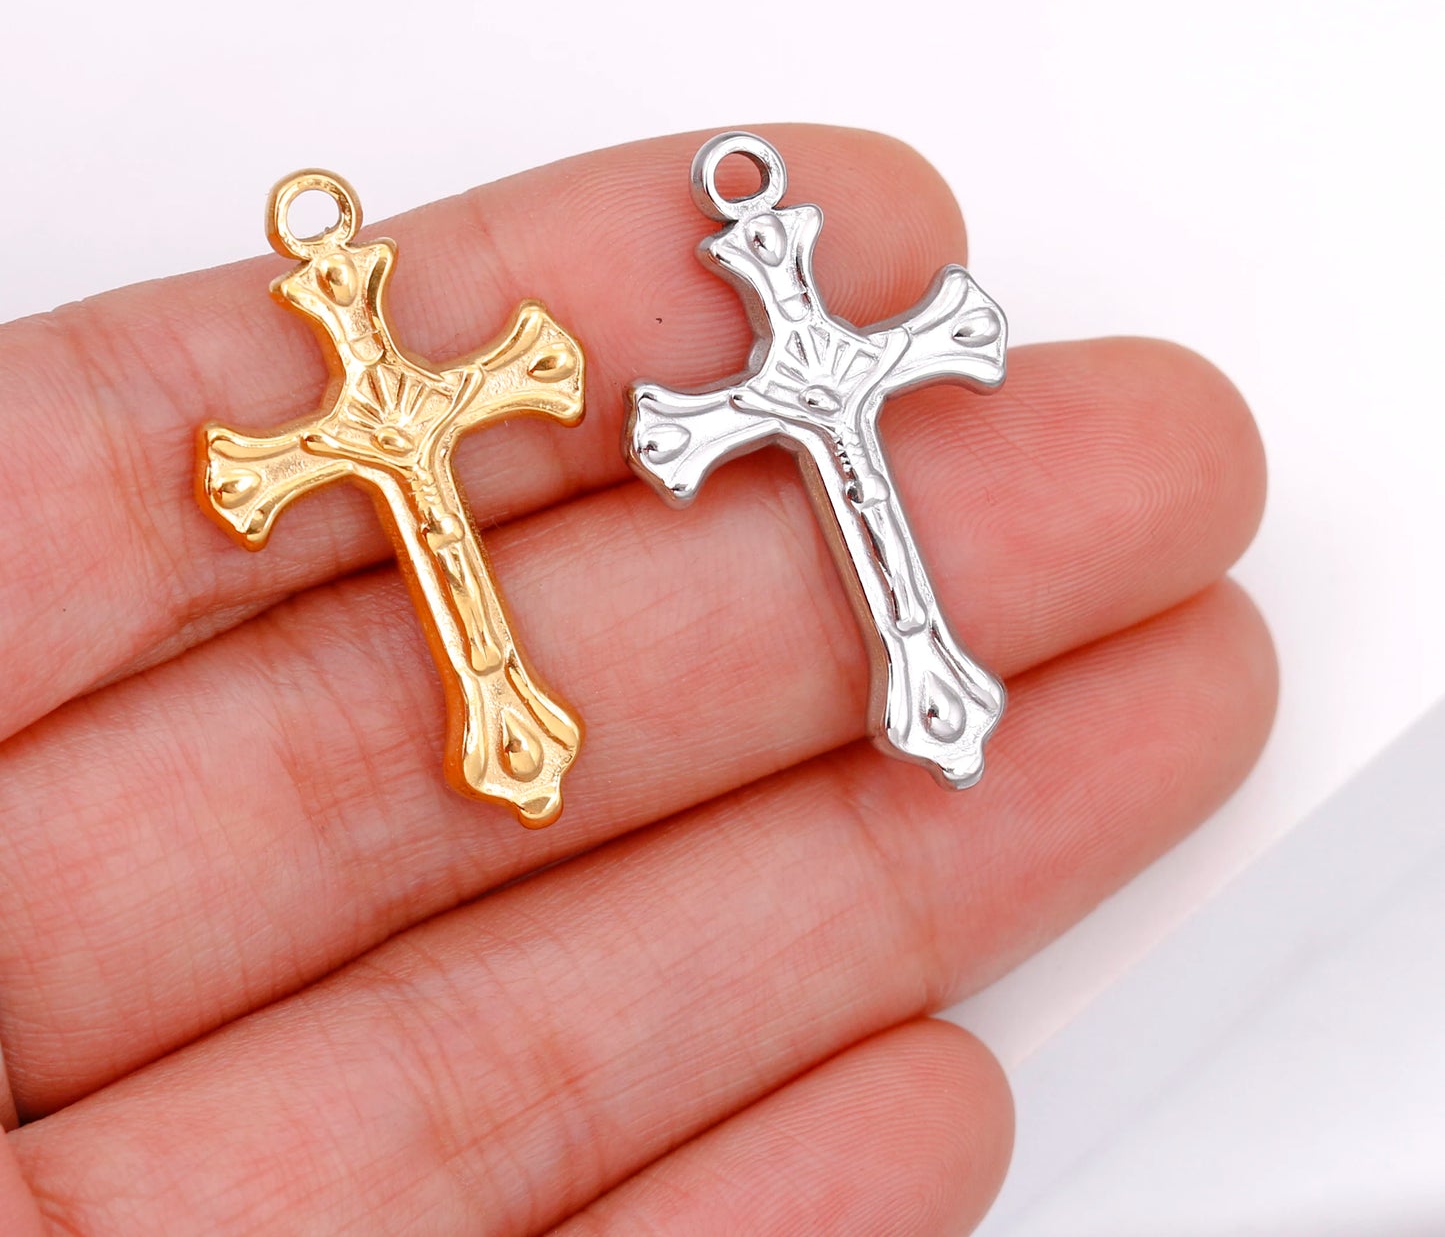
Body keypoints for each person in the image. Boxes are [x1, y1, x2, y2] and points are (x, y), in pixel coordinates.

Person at [0, 125, 1275, 1235]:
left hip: (865, 594)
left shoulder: (793, 364)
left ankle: (914, 675)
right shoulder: (371, 422)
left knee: (857, 520)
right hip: (497, 674)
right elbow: (259, 469)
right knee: (452, 557)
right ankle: (567, 713)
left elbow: (613, 382)